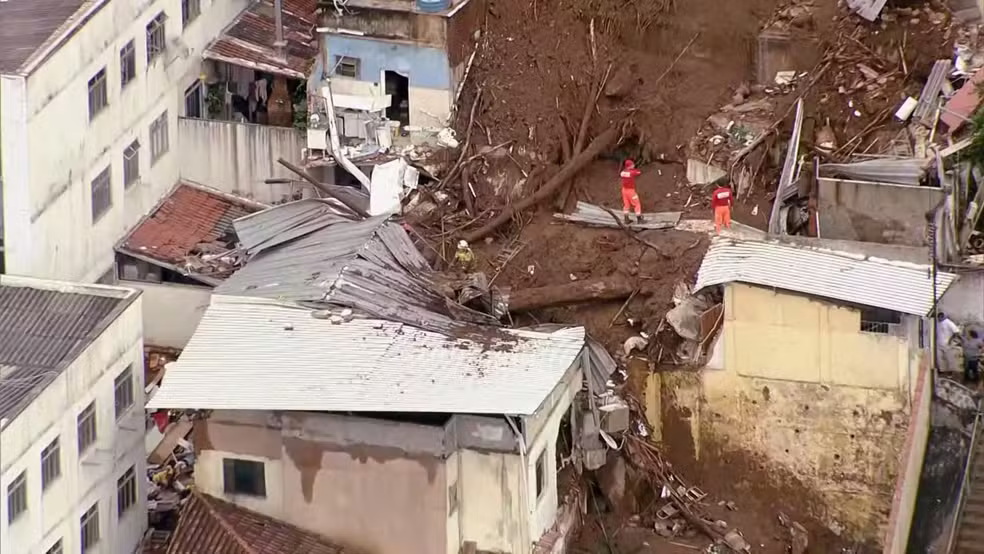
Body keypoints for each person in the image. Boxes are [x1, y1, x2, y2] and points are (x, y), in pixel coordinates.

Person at [619, 159, 643, 224]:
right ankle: (639, 219)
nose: (633, 165)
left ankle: (626, 219)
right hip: (631, 191)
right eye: (632, 164)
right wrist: (634, 169)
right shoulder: (632, 172)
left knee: (626, 204)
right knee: (637, 204)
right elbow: (639, 172)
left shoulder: (622, 172)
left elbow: (623, 174)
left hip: (624, 190)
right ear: (630, 165)